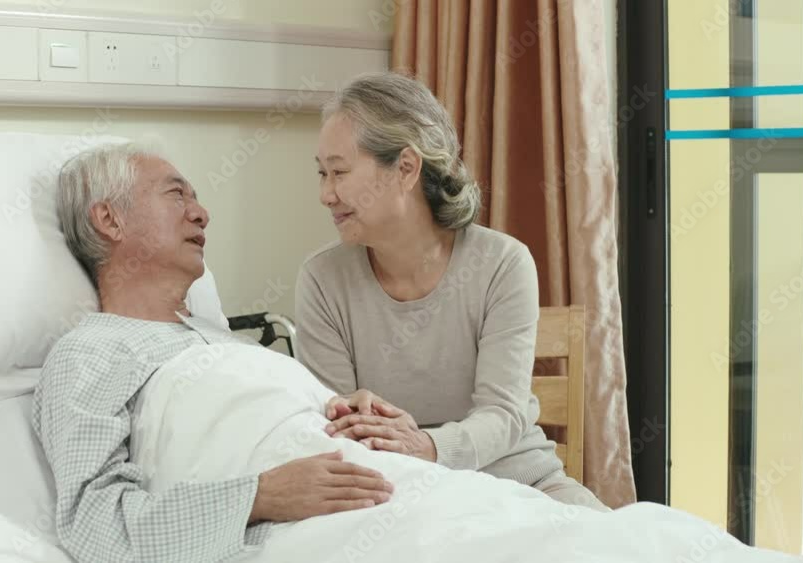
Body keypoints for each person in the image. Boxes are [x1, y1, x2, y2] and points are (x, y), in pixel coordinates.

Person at [33, 142, 395, 563]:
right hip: (317, 534)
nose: (201, 213)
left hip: (384, 490)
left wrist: (352, 415)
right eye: (176, 195)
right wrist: (258, 497)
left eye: (196, 197)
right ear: (109, 219)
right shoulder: (89, 353)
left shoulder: (228, 344)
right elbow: (96, 527)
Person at [296, 71, 606, 510]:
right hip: (394, 493)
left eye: (340, 172)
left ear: (405, 168)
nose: (326, 194)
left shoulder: (502, 263)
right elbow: (339, 435)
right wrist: (351, 414)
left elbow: (504, 415)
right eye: (322, 174)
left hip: (523, 482)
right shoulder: (322, 280)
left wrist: (428, 445)